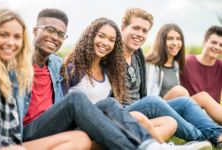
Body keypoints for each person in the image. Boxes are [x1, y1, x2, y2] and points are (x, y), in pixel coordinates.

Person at [12, 8, 212, 150]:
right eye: (49, 30)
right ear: (35, 30)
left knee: (111, 104)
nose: (55, 37)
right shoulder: (17, 63)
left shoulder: (54, 64)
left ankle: (153, 145)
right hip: (31, 130)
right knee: (83, 102)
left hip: (64, 123)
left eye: (60, 34)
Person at [60, 17, 177, 144]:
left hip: (107, 124)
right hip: (84, 130)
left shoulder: (106, 71)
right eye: (101, 36)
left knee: (169, 122)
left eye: (111, 40)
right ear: (90, 36)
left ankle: (150, 145)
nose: (105, 43)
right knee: (138, 119)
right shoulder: (73, 68)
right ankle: (162, 147)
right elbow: (61, 107)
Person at [118, 7, 220, 149]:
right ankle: (203, 139)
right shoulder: (113, 54)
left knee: (185, 101)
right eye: (135, 28)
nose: (140, 34)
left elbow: (142, 93)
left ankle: (219, 135)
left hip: (143, 109)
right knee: (156, 99)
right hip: (123, 112)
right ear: (123, 28)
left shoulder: (138, 54)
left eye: (144, 30)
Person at [0, 9, 92, 150]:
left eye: (17, 37)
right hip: (23, 135)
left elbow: (80, 61)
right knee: (76, 99)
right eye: (3, 35)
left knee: (85, 135)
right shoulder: (12, 67)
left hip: (21, 138)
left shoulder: (56, 64)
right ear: (34, 31)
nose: (11, 43)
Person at [180, 26, 222, 125]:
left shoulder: (220, 66)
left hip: (212, 115)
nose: (217, 47)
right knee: (204, 96)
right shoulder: (185, 61)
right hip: (189, 112)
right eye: (213, 42)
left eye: (221, 45)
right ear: (204, 43)